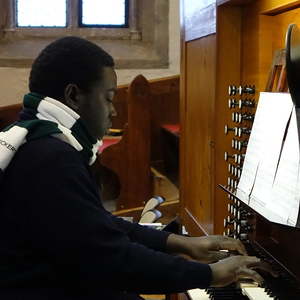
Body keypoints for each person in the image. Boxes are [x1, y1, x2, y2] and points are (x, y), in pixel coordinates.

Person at [0, 37, 273, 299]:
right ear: (73, 96)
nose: (114, 111)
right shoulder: (50, 157)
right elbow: (108, 258)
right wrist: (209, 274)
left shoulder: (37, 140)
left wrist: (182, 243)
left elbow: (94, 225)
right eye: (108, 98)